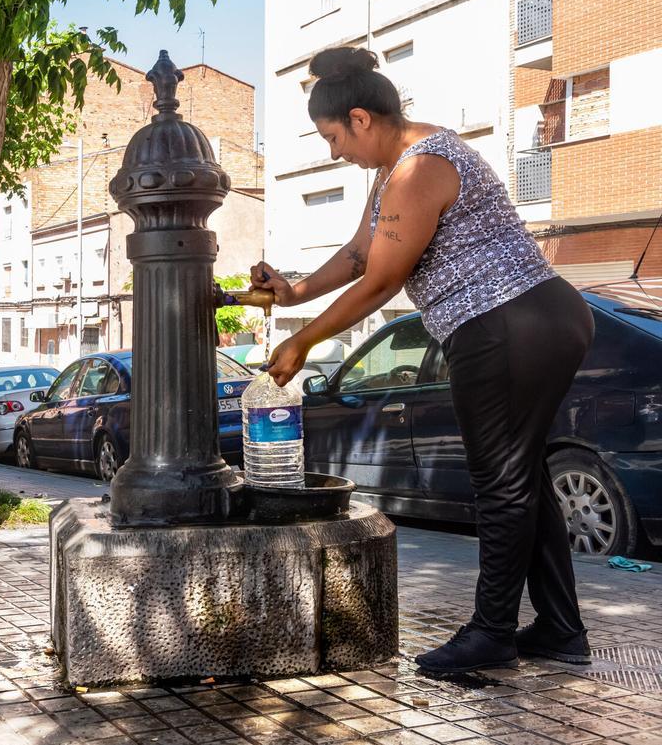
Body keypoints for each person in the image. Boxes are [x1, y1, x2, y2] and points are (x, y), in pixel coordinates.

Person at [254, 47, 594, 674]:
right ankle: (559, 628)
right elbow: (361, 252)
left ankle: (492, 633)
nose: (334, 153)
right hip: (532, 317)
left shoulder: (420, 169)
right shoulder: (397, 169)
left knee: (500, 481)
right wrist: (294, 292)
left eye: (332, 138)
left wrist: (302, 341)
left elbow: (382, 282)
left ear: (360, 118)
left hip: (505, 321)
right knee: (523, 476)